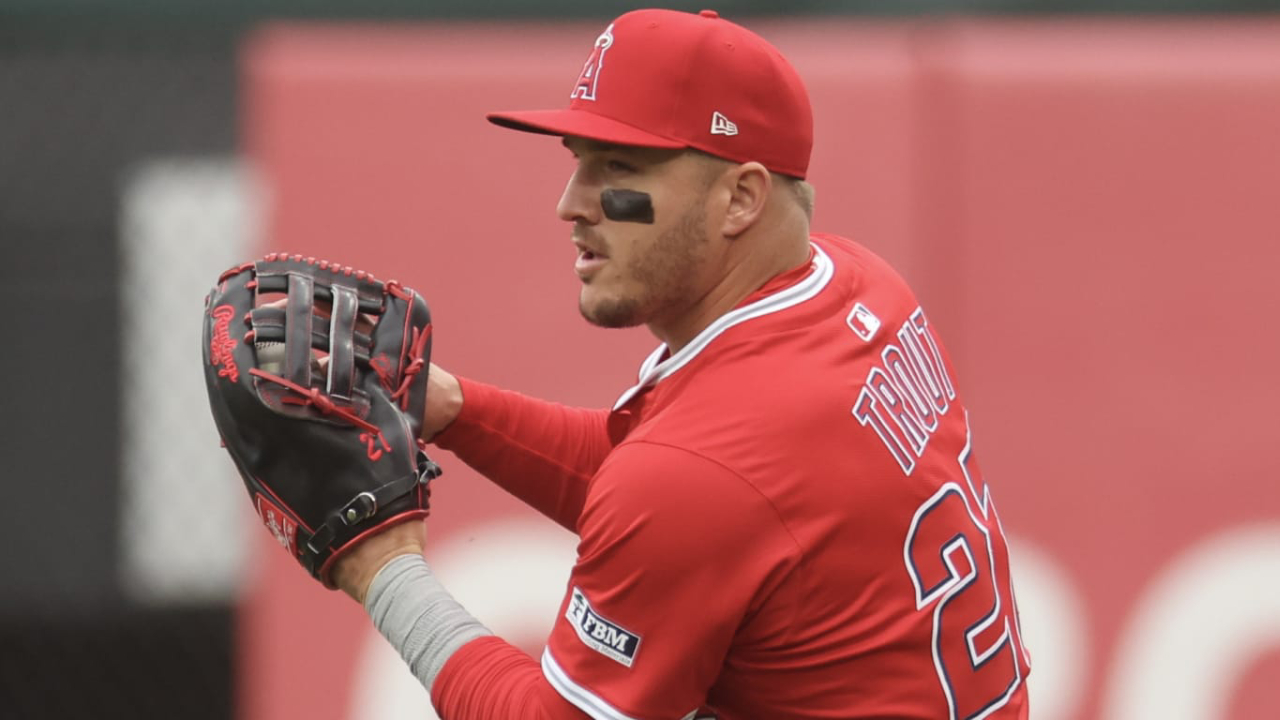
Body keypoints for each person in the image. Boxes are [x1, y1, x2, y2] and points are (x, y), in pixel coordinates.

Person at [330, 8, 1032, 719]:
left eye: (619, 167)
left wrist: (382, 568)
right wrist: (452, 407)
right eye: (578, 160)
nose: (570, 204)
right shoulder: (858, 285)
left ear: (742, 198)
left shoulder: (700, 470)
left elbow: (683, 494)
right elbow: (685, 497)